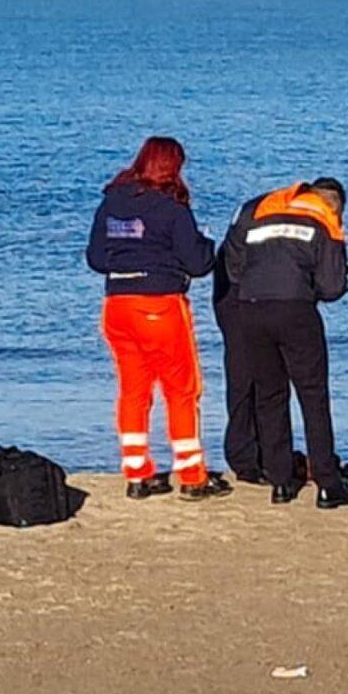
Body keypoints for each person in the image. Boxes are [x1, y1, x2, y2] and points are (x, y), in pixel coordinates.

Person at [84, 136, 231, 501]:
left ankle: (136, 471)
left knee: (133, 391)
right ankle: (192, 474)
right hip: (160, 304)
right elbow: (198, 265)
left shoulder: (112, 204)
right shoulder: (171, 208)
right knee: (182, 390)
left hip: (117, 304)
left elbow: (96, 259)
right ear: (173, 168)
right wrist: (205, 243)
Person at [220, 177, 348, 509]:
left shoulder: (262, 208)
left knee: (270, 396)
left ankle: (281, 481)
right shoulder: (323, 219)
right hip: (296, 310)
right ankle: (328, 483)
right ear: (335, 204)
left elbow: (234, 264)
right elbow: (331, 287)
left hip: (252, 308)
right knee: (313, 396)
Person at [211, 193, 266, 484]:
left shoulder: (257, 212)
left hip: (243, 291)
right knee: (246, 377)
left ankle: (258, 454)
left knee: (255, 377)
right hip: (237, 293)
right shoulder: (258, 216)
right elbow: (233, 265)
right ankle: (246, 458)